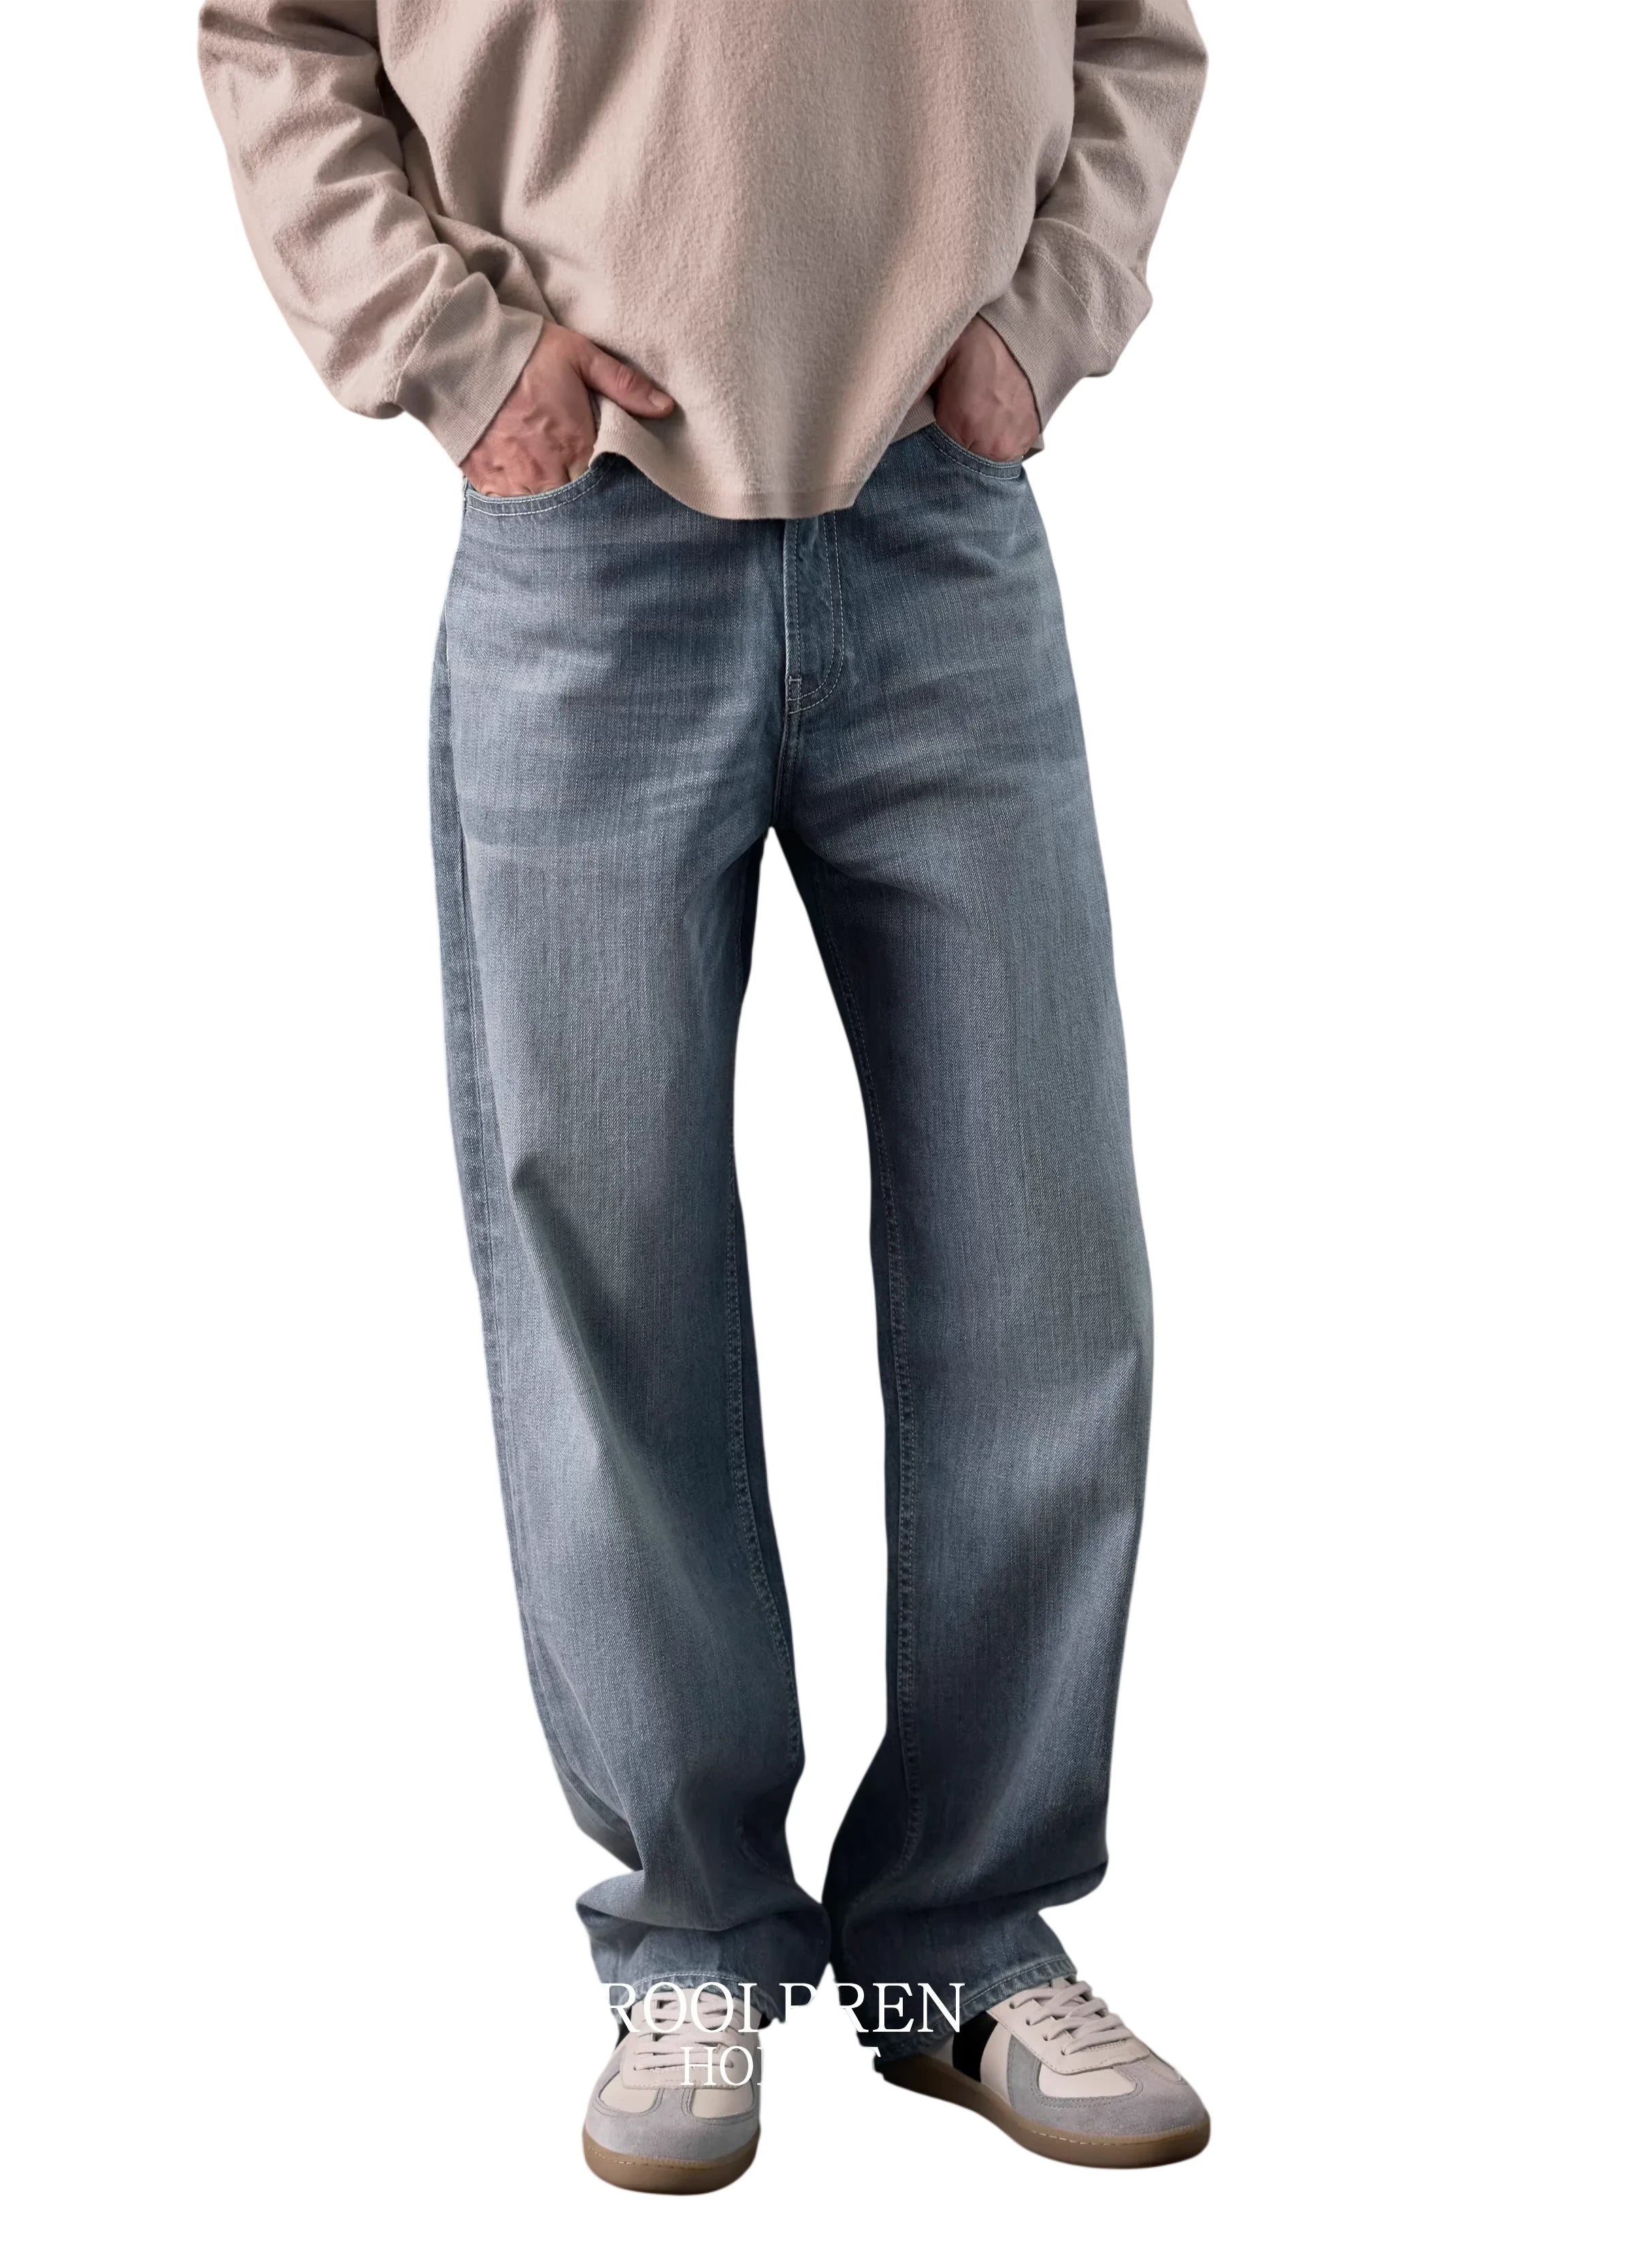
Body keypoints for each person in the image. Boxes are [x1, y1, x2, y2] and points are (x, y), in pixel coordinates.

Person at [199, 0, 1209, 2192]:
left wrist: (1043, 321)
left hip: (943, 519)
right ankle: (694, 1935)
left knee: (1041, 1248)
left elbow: (1136, 29)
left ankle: (960, 1937)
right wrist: (461, 359)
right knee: (607, 1255)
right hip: (588, 535)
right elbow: (277, 33)